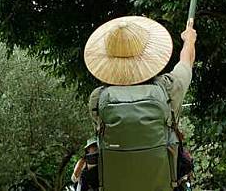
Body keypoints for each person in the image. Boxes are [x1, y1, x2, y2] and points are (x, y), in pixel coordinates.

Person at [84, 16, 197, 191]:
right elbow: (186, 62)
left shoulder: (98, 98)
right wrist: (189, 40)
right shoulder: (168, 88)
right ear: (149, 56)